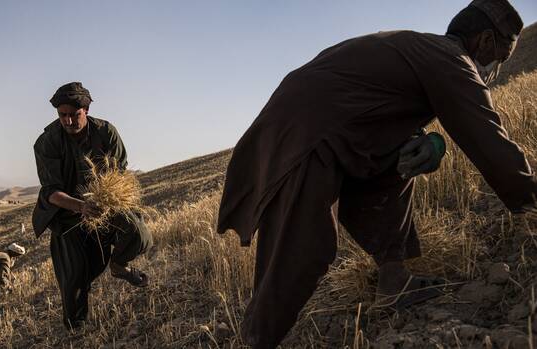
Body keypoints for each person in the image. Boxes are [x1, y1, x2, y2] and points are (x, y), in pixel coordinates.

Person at [216, 0, 526, 347]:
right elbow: (489, 139)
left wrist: (431, 143)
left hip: (323, 128)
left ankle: (394, 281)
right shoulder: (451, 59)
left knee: (401, 159)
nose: (495, 69)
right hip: (307, 135)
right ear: (484, 41)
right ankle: (258, 340)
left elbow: (373, 111)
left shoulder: (421, 49)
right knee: (302, 248)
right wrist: (530, 202)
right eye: (500, 57)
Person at [32, 82, 153, 331]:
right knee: (74, 279)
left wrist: (105, 201)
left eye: (73, 115)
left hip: (105, 207)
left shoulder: (106, 132)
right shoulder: (48, 141)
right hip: (66, 216)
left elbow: (119, 174)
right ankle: (76, 331)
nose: (67, 121)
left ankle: (119, 265)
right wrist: (81, 206)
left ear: (85, 110)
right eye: (62, 115)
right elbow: (51, 192)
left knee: (138, 233)